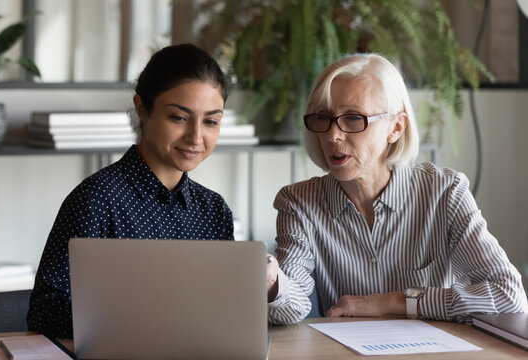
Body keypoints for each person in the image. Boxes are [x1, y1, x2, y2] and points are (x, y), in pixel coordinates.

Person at [265, 53, 528, 325]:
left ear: (396, 127)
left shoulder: (445, 193)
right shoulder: (298, 202)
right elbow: (290, 308)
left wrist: (395, 302)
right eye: (323, 118)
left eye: (354, 118)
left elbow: (508, 295)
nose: (333, 135)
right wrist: (271, 279)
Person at [27, 44, 234, 338]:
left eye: (211, 121)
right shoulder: (96, 199)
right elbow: (43, 311)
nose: (196, 137)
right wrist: (136, 317)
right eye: (179, 117)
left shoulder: (214, 210)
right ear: (142, 109)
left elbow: (225, 309)